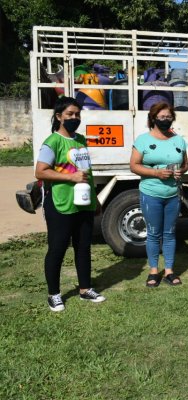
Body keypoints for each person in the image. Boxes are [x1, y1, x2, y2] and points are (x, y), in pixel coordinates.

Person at [35, 96, 105, 312]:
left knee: (83, 247)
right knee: (57, 249)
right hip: (60, 203)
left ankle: (85, 289)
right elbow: (41, 171)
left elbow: (87, 173)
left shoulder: (81, 140)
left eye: (77, 114)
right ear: (59, 117)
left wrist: (95, 198)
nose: (75, 118)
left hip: (83, 203)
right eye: (70, 114)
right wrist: (70, 178)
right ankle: (54, 294)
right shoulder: (52, 142)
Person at [130, 102, 188, 287]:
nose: (165, 120)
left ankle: (169, 271)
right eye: (161, 117)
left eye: (168, 117)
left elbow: (185, 164)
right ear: (153, 118)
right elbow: (134, 165)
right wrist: (156, 173)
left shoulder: (179, 140)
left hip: (172, 194)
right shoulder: (143, 140)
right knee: (154, 233)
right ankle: (154, 271)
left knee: (170, 233)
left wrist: (181, 171)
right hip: (151, 193)